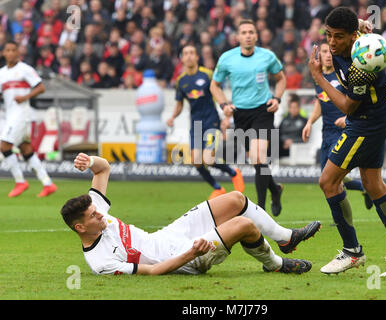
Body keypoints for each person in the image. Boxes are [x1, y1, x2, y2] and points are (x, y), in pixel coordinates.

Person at [60, 152, 322, 276]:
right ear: (80, 228)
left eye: (97, 211)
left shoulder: (96, 213)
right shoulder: (100, 262)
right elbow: (152, 272)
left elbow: (103, 170)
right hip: (181, 259)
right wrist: (191, 254)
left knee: (234, 199)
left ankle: (286, 238)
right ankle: (275, 265)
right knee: (244, 225)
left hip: (167, 235)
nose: (101, 216)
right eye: (93, 217)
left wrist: (91, 162)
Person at [308, 7, 386, 277]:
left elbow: (347, 106)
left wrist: (319, 78)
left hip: (366, 122)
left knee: (328, 182)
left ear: (352, 37)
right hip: (376, 116)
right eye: (328, 35)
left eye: (338, 37)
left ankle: (351, 251)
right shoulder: (354, 39)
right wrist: (359, 22)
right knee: (372, 183)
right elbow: (354, 25)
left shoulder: (362, 66)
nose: (331, 42)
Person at [210, 19, 286, 216]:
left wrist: (277, 98)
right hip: (240, 113)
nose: (248, 35)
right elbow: (214, 85)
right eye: (243, 32)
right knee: (256, 160)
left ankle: (260, 210)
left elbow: (281, 79)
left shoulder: (267, 56)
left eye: (251, 32)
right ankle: (275, 189)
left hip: (263, 110)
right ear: (238, 37)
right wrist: (224, 104)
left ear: (256, 35)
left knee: (259, 156)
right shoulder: (227, 58)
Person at [167, 45, 245, 200]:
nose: (189, 56)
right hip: (195, 125)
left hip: (211, 121)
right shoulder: (181, 81)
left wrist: (226, 117)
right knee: (196, 161)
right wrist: (172, 117)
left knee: (208, 159)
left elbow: (219, 94)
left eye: (191, 53)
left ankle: (234, 173)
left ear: (197, 57)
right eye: (186, 54)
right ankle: (218, 188)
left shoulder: (208, 74)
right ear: (182, 59)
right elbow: (180, 104)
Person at [302, 41, 373, 210]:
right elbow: (321, 101)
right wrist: (309, 122)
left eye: (329, 52)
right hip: (327, 132)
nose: (327, 55)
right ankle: (364, 189)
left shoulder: (343, 75)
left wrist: (347, 117)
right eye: (324, 52)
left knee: (333, 177)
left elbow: (357, 101)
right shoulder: (318, 77)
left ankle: (340, 217)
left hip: (344, 131)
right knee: (326, 178)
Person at [0, 41, 57, 198]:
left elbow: (41, 87)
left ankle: (20, 181)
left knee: (4, 146)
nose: (11, 53)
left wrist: (25, 96)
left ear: (18, 52)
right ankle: (48, 183)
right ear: (3, 53)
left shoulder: (25, 69)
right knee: (26, 150)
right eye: (8, 50)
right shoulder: (2, 73)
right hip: (10, 113)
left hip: (22, 113)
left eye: (13, 50)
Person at [278, 93, 307, 158]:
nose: (293, 109)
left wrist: (292, 141)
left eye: (295, 107)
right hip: (282, 144)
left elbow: (305, 138)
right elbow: (278, 133)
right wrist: (285, 141)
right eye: (292, 107)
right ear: (289, 108)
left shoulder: (304, 121)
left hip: (296, 146)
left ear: (299, 108)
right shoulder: (284, 120)